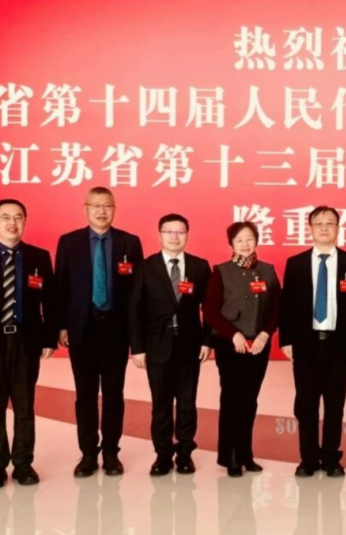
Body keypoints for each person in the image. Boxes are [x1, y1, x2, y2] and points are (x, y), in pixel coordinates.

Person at [55, 186, 143, 477]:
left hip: (116, 330)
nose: (102, 211)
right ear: (86, 209)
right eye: (96, 206)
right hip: (82, 329)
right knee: (85, 395)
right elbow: (61, 287)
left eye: (107, 206)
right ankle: (88, 454)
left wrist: (136, 336)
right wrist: (62, 325)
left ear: (114, 209)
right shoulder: (69, 242)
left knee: (114, 394)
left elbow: (137, 294)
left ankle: (111, 453)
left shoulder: (130, 242)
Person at [0, 199, 58, 489]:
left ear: (25, 222)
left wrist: (49, 338)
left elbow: (51, 301)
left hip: (26, 341)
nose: (12, 223)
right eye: (6, 217)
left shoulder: (39, 257)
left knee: (24, 407)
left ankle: (23, 463)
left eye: (18, 217)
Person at [280, 206, 346, 477]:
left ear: (338, 228)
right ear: (310, 228)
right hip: (305, 344)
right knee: (306, 405)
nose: (325, 228)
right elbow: (287, 304)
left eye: (330, 223)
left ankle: (330, 457)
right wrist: (286, 339)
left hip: (338, 344)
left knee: (335, 404)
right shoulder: (296, 263)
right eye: (319, 223)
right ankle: (308, 458)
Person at [128, 213, 212, 476]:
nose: (175, 237)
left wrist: (207, 341)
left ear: (187, 235)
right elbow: (135, 309)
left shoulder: (199, 266)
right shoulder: (146, 267)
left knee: (187, 404)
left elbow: (210, 308)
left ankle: (185, 454)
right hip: (156, 346)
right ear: (160, 234)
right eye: (169, 231)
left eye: (180, 232)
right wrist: (137, 348)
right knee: (161, 405)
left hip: (190, 346)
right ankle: (162, 455)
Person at [203, 220, 281, 477]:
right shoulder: (221, 271)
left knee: (250, 400)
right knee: (232, 399)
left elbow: (277, 308)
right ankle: (231, 456)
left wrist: (265, 333)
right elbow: (210, 311)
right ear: (231, 244)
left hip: (258, 345)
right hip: (230, 345)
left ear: (256, 241)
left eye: (249, 239)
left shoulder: (268, 271)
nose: (245, 244)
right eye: (239, 240)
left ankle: (247, 454)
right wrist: (233, 334)